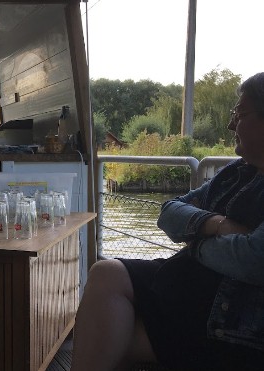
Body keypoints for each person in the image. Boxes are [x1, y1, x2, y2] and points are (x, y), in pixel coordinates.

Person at [70, 73, 264, 371]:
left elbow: (254, 260)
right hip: (190, 285)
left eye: (239, 114)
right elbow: (170, 211)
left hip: (231, 317)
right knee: (106, 272)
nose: (230, 125)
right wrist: (216, 224)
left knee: (110, 333)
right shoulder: (237, 172)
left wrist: (196, 240)